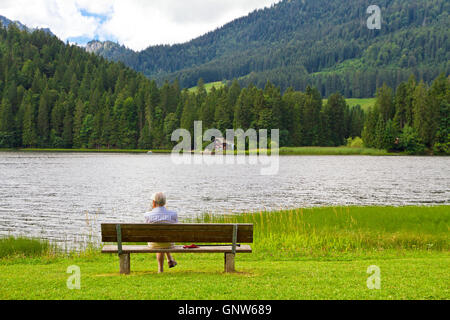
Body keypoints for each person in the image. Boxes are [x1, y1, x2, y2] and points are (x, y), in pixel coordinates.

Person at [144, 192, 178, 273]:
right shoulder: (173, 214)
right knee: (164, 238)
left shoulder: (147, 215)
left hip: (153, 243)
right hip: (169, 243)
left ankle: (161, 268)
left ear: (153, 202)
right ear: (165, 202)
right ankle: (170, 260)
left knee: (158, 239)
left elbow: (146, 231)